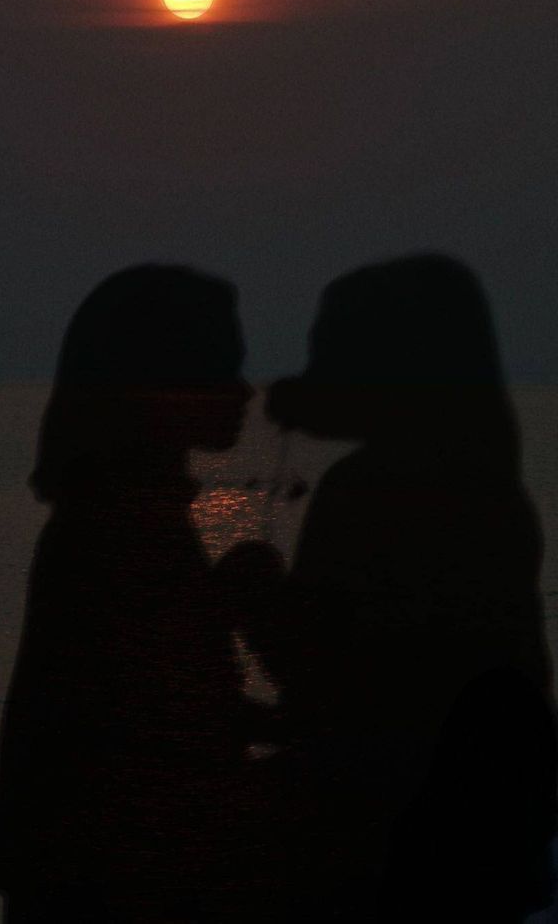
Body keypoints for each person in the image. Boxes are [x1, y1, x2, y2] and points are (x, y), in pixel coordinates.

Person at [233, 253, 556, 921]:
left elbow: (326, 688)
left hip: (392, 845)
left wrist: (250, 586)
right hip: (493, 839)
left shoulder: (371, 492)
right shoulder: (497, 496)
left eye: (331, 351)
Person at [0, 265, 255, 922]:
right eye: (220, 370)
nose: (243, 392)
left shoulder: (112, 519)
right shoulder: (124, 532)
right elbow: (150, 732)